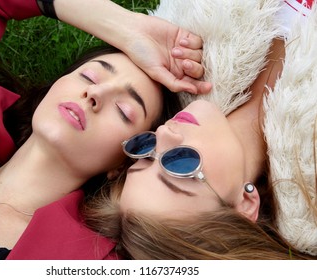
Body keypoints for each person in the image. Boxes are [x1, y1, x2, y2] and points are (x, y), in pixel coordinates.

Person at [0, 0, 208, 259]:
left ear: (122, 164)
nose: (95, 92)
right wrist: (129, 29)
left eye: (124, 111)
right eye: (89, 75)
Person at [82, 0, 317, 259]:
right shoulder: (310, 159)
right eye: (180, 164)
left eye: (146, 152)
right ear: (245, 205)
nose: (163, 134)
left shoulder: (187, 41)